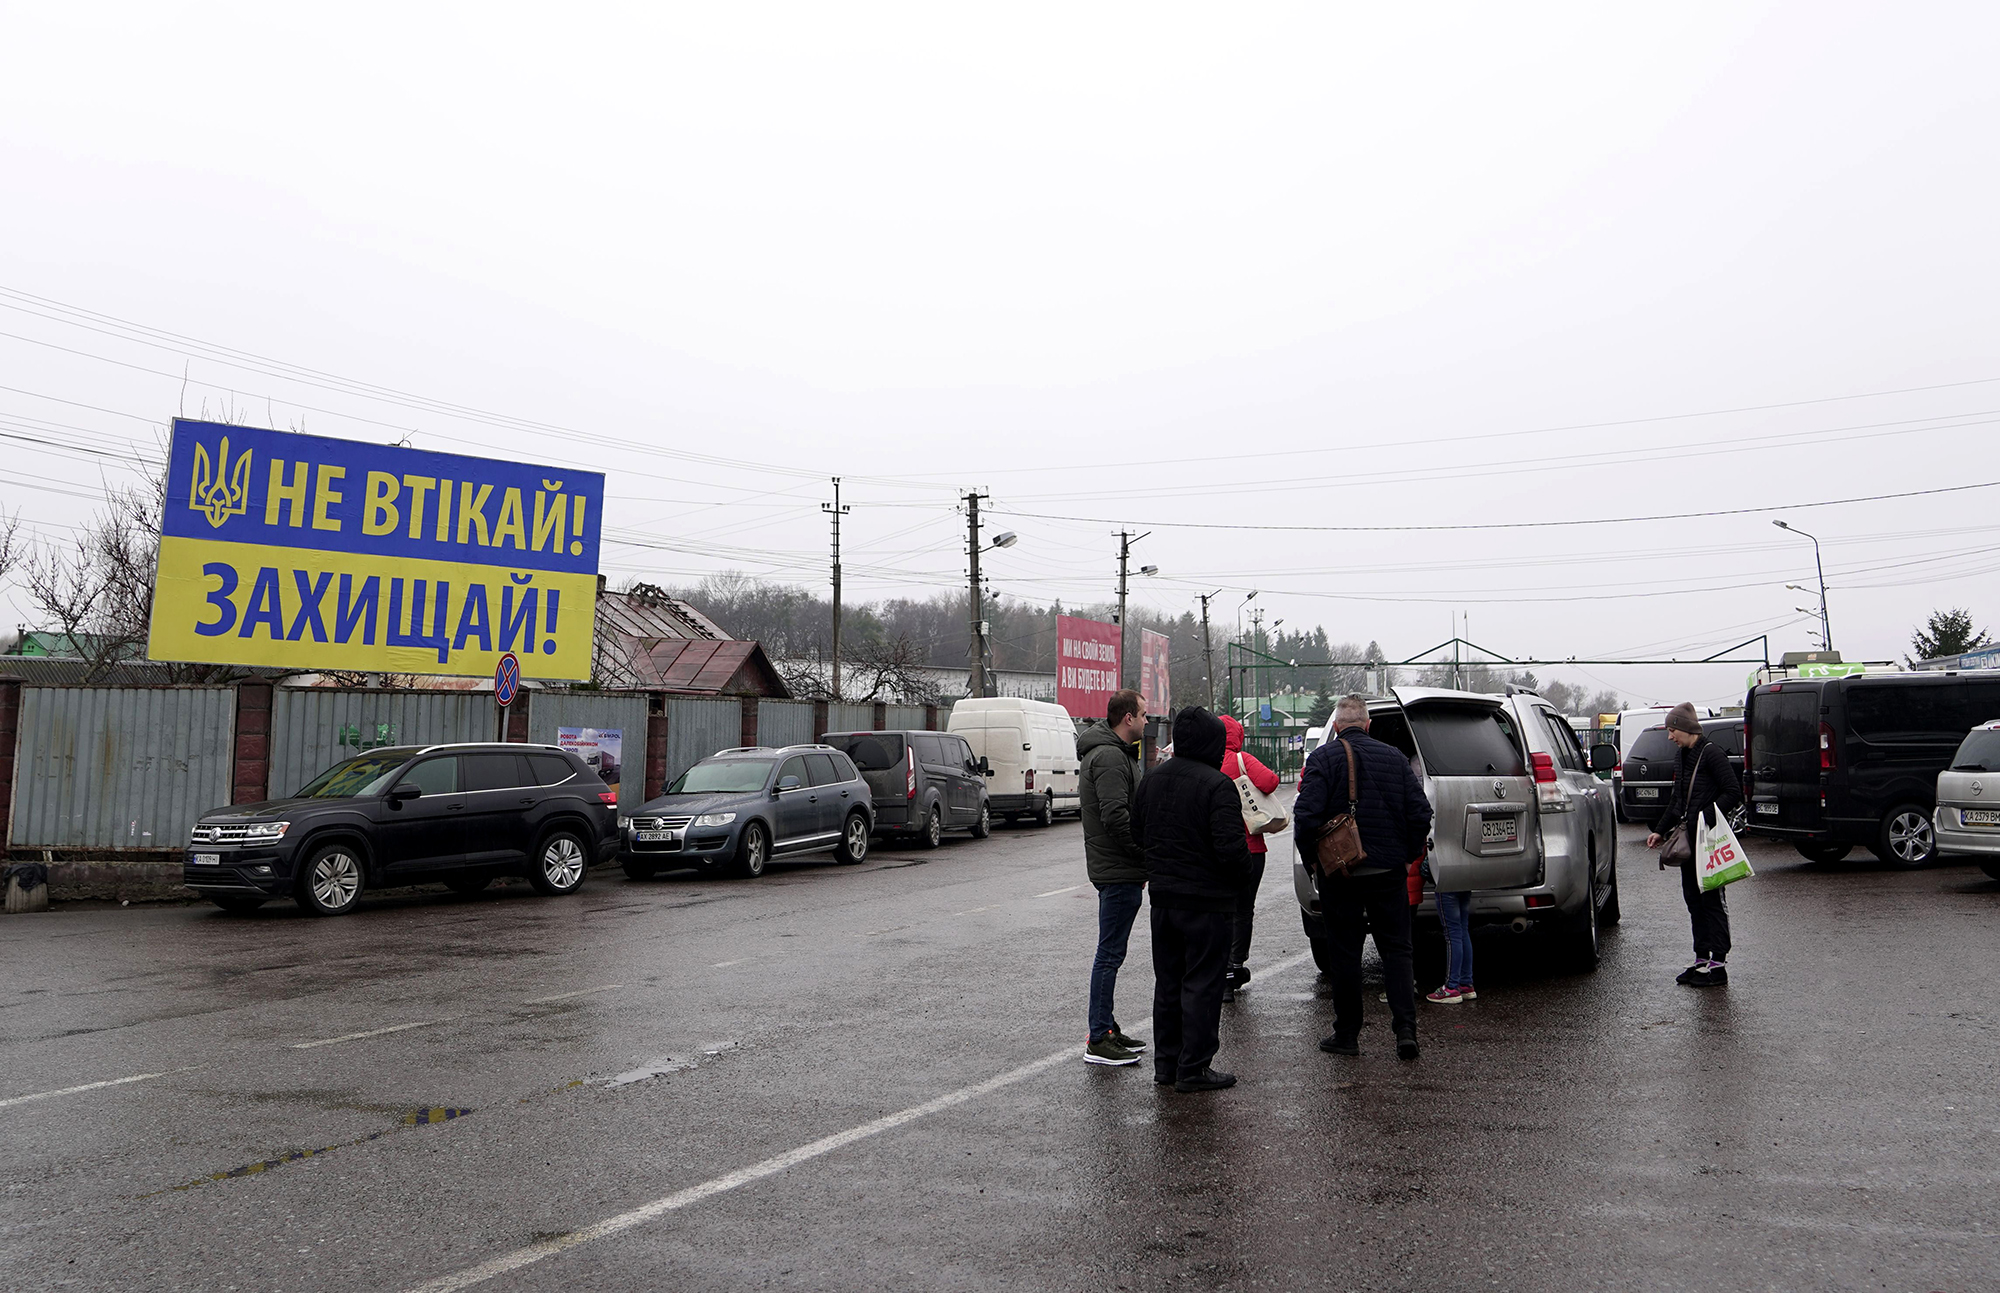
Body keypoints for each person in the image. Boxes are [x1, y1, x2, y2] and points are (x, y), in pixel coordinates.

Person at [1294, 694, 1434, 1060]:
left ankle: (1347, 1035)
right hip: (1388, 871)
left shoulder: (1322, 758)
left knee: (1345, 952)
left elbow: (1305, 816)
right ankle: (1406, 1032)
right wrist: (1407, 857)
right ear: (1368, 725)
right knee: (1397, 951)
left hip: (1341, 873)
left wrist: (1313, 862)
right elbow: (1421, 813)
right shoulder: (1395, 759)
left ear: (1337, 727)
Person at [1132, 705, 1253, 1093]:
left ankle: (1166, 1064)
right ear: (1211, 744)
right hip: (1207, 902)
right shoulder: (1217, 786)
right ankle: (1195, 1066)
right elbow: (1232, 851)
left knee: (1168, 983)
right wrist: (1239, 882)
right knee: (1202, 984)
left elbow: (1137, 833)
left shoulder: (1151, 779)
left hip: (1163, 899)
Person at [1646, 702, 1743, 987]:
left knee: (1712, 900)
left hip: (1709, 840)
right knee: (1693, 900)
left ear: (1686, 728)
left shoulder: (1712, 753)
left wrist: (1704, 817)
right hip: (1689, 839)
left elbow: (1732, 792)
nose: (1669, 736)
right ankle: (1701, 960)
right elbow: (1678, 800)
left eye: (1672, 729)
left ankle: (1719, 965)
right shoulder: (1681, 756)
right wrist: (1660, 831)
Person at [1078, 688, 1150, 1065]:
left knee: (1111, 954)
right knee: (1108, 955)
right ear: (1127, 718)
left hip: (1120, 868)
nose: (1147, 721)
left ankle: (1106, 1027)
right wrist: (1144, 856)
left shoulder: (1115, 753)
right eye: (1143, 714)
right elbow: (1116, 817)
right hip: (1117, 869)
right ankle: (1099, 1038)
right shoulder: (1108, 756)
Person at [1217, 715, 1280, 1003]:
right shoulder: (1243, 759)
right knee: (1243, 910)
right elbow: (1270, 782)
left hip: (1216, 849)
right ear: (1238, 736)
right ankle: (1235, 966)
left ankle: (1219, 972)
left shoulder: (1208, 760)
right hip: (1251, 847)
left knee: (1220, 909)